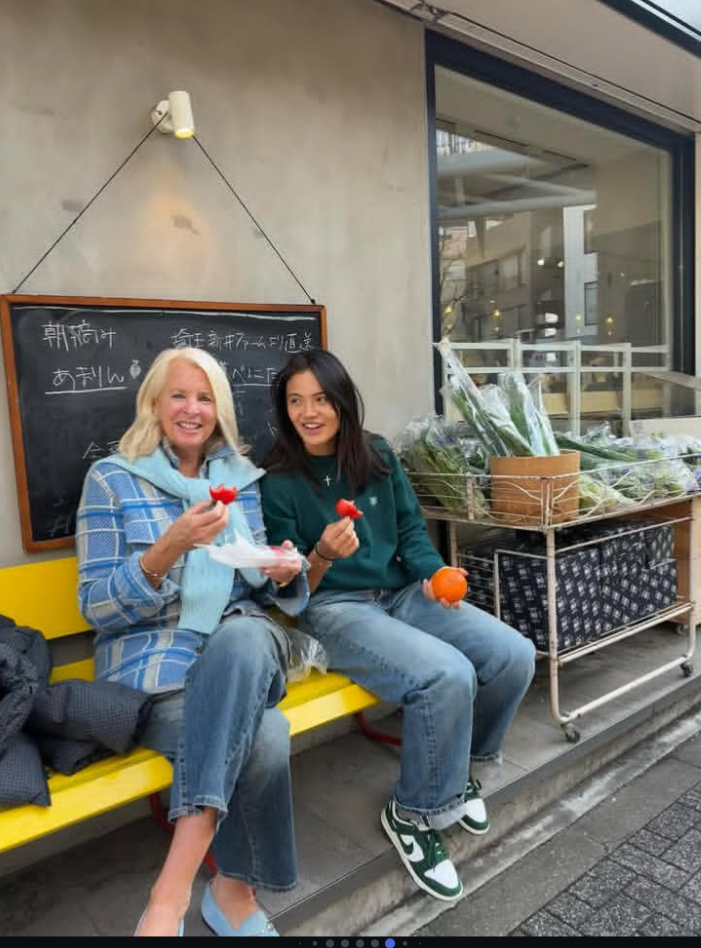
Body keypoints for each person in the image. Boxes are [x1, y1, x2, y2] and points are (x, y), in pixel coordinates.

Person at [260, 349, 536, 902]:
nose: (308, 412)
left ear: (343, 401)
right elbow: (290, 588)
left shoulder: (377, 455)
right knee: (446, 675)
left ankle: (458, 772)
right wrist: (322, 553)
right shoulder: (278, 482)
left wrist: (433, 574)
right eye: (295, 401)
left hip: (405, 593)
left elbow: (410, 530)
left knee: (513, 655)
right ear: (283, 408)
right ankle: (413, 813)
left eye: (320, 399)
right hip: (334, 609)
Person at [75, 347, 309, 937]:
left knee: (244, 636)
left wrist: (279, 569)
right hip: (155, 671)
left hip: (239, 648)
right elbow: (97, 606)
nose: (192, 409)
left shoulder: (239, 482)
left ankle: (169, 895)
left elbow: (254, 583)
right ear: (154, 403)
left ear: (219, 410)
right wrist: (168, 549)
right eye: (179, 395)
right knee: (266, 737)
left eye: (205, 398)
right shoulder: (111, 480)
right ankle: (231, 893)